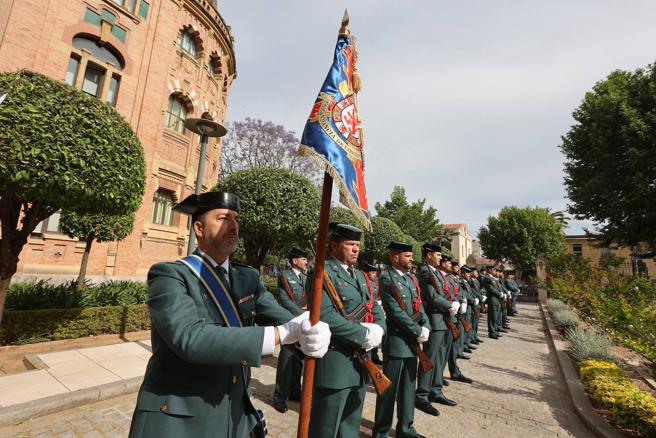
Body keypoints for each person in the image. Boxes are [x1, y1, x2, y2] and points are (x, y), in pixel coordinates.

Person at [128, 192, 331, 438]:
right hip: (182, 417)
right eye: (223, 218)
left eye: (236, 219)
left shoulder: (247, 277)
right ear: (200, 228)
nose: (233, 225)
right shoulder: (170, 275)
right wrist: (282, 333)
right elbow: (190, 338)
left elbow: (282, 318)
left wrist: (307, 329)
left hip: (233, 415)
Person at [308, 223, 386, 438]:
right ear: (334, 246)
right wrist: (363, 334)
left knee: (350, 428)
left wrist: (379, 329)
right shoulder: (321, 272)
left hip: (361, 364)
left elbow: (374, 306)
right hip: (336, 363)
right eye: (350, 244)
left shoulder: (360, 276)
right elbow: (323, 315)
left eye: (357, 244)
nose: (355, 249)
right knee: (326, 428)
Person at [372, 241, 430, 438]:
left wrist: (426, 326)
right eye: (407, 255)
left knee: (407, 388)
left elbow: (419, 306)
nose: (411, 258)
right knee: (388, 390)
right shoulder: (387, 279)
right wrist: (416, 330)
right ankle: (381, 431)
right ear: (395, 257)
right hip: (397, 342)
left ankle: (406, 428)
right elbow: (396, 312)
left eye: (411, 256)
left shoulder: (411, 278)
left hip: (412, 343)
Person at [415, 243, 459, 415]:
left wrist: (453, 303)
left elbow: (445, 292)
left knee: (440, 358)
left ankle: (436, 390)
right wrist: (450, 305)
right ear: (428, 255)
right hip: (434, 319)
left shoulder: (435, 272)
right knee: (430, 359)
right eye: (438, 255)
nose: (441, 258)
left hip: (444, 319)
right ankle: (422, 395)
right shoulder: (426, 271)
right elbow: (432, 296)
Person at [272, 247, 309, 413]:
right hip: (290, 322)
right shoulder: (285, 276)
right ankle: (279, 396)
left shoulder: (307, 277)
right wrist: (303, 315)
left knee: (299, 359)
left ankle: (295, 391)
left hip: (305, 322)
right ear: (295, 261)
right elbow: (285, 301)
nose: (306, 262)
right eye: (303, 259)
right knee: (286, 359)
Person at [362, 262, 384, 365]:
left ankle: (374, 356)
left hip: (376, 311)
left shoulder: (373, 283)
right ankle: (371, 357)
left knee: (376, 335)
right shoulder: (366, 283)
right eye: (372, 272)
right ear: (366, 273)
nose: (374, 274)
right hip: (368, 313)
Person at [479, 265, 503, 339]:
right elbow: (490, 289)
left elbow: (498, 287)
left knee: (496, 317)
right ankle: (492, 332)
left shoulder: (493, 278)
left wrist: (501, 293)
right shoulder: (487, 278)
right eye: (493, 270)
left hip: (497, 300)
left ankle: (495, 331)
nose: (495, 271)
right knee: (492, 317)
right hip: (492, 299)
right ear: (489, 270)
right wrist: (499, 294)